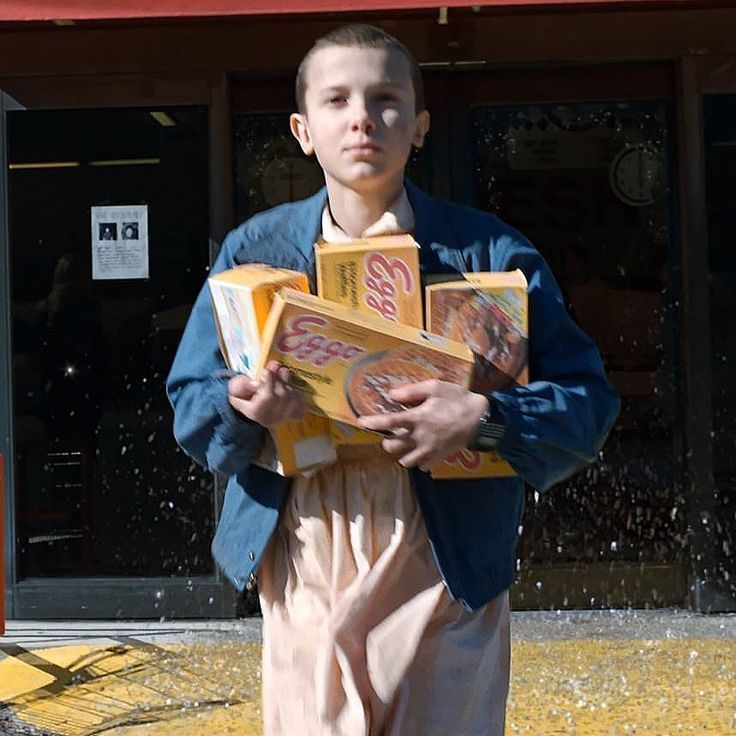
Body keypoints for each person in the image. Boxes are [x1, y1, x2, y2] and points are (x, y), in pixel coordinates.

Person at [167, 24, 620, 736]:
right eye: (337, 99)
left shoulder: (489, 254)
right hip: (306, 549)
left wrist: (482, 419)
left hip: (443, 561)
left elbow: (589, 406)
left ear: (419, 126)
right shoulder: (252, 252)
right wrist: (243, 405)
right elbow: (190, 402)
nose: (361, 117)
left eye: (385, 99)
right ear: (303, 129)